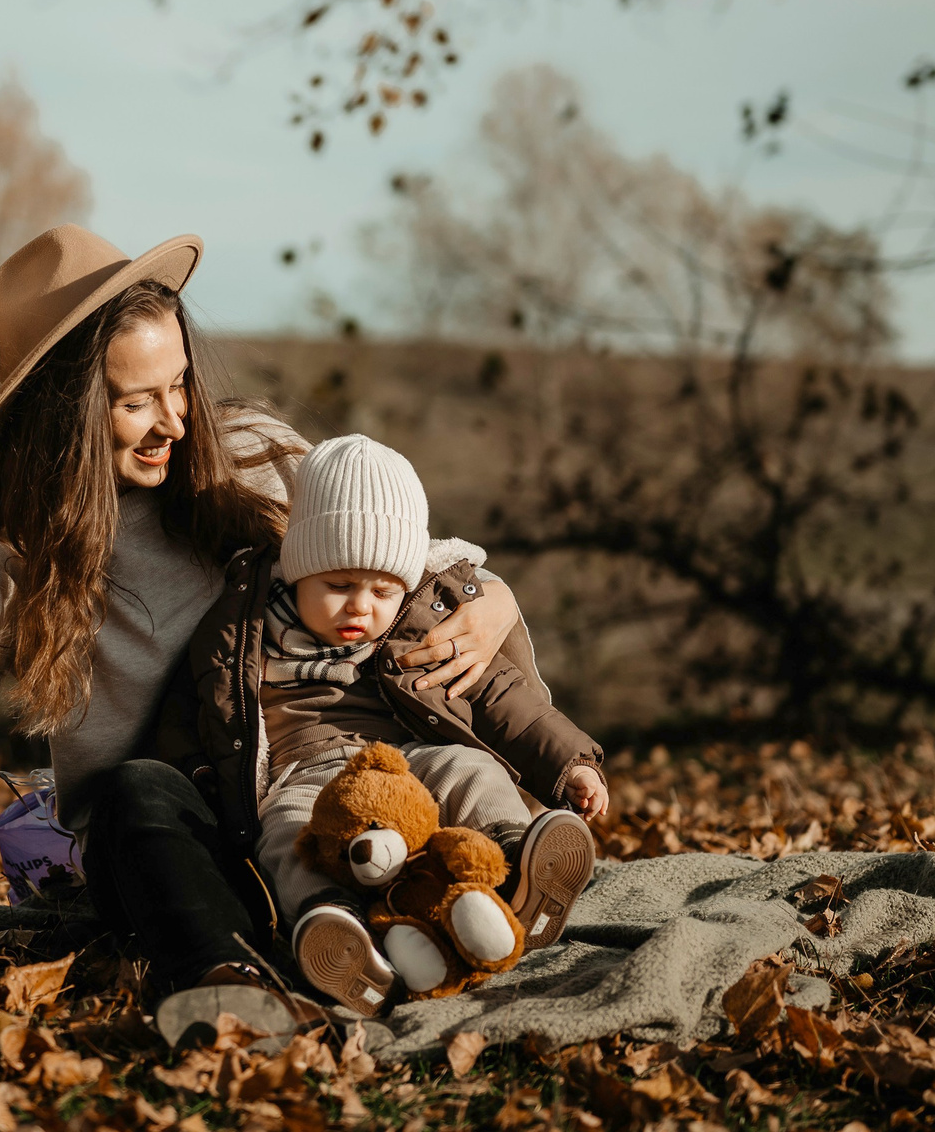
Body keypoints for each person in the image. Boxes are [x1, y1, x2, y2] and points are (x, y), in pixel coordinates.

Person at [0, 225, 528, 1044]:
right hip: (184, 855)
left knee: (419, 785)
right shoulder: (36, 560)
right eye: (135, 400)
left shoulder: (256, 455)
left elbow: (388, 552)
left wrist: (495, 601)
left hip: (325, 804)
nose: (172, 419)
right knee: (137, 790)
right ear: (64, 411)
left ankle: (462, 905)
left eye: (179, 385)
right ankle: (225, 982)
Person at [151, 433, 609, 1016]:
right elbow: (190, 715)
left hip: (408, 755)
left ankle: (517, 862)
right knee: (287, 833)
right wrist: (199, 789)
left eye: (383, 590)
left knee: (469, 768)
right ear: (297, 571)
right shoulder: (241, 630)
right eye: (338, 585)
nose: (361, 607)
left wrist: (571, 763)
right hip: (302, 771)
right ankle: (332, 924)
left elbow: (502, 697)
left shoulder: (420, 629)